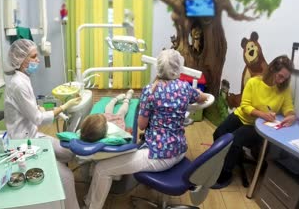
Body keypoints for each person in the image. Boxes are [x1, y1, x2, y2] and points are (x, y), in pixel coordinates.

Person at [83, 49, 208, 209]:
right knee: (113, 162)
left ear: (159, 68)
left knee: (102, 169)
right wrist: (196, 93)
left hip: (160, 155)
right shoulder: (185, 87)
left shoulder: (151, 91)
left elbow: (141, 125)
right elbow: (203, 97)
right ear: (179, 67)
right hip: (180, 149)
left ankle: (91, 206)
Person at [4, 39, 82, 209]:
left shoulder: (23, 79)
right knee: (67, 177)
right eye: (33, 57)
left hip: (33, 135)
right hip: (22, 144)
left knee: (68, 153)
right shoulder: (18, 84)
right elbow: (38, 119)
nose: (37, 60)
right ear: (21, 60)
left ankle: (52, 167)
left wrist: (37, 107)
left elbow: (29, 109)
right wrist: (63, 106)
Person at [212, 55, 295, 189]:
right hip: (242, 116)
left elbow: (288, 108)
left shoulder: (284, 90)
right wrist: (262, 113)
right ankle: (223, 161)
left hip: (257, 126)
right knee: (218, 134)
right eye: (280, 76)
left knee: (234, 141)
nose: (281, 81)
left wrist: (291, 116)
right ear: (272, 69)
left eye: (285, 78)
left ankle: (225, 175)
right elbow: (245, 106)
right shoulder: (254, 82)